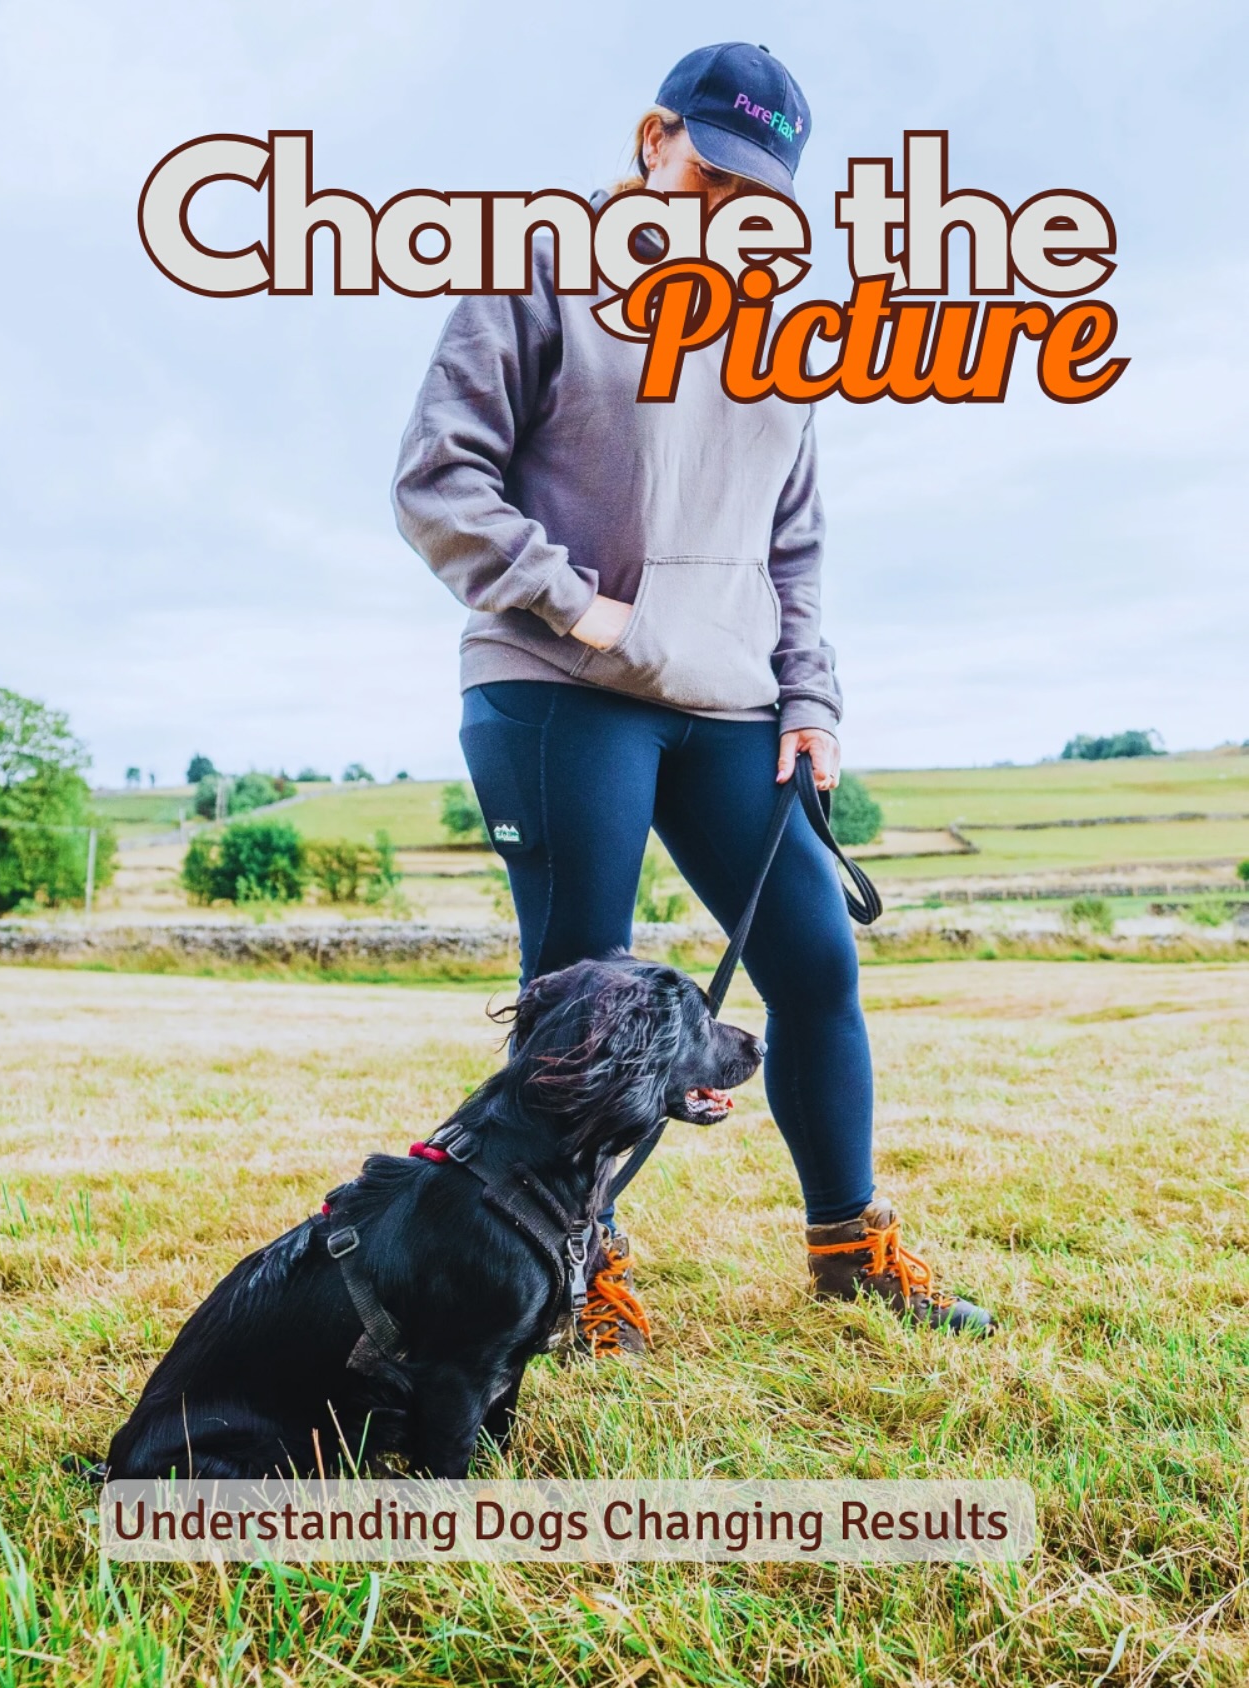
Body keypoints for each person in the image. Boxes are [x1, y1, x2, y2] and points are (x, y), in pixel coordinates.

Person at [392, 42, 996, 1354]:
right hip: (559, 686)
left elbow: (795, 545)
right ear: (653, 138)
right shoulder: (534, 278)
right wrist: (579, 603)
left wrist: (809, 699)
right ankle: (567, 1262)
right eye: (711, 172)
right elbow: (440, 482)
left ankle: (848, 1248)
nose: (727, 210)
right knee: (579, 996)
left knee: (813, 967)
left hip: (730, 703)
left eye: (756, 193)